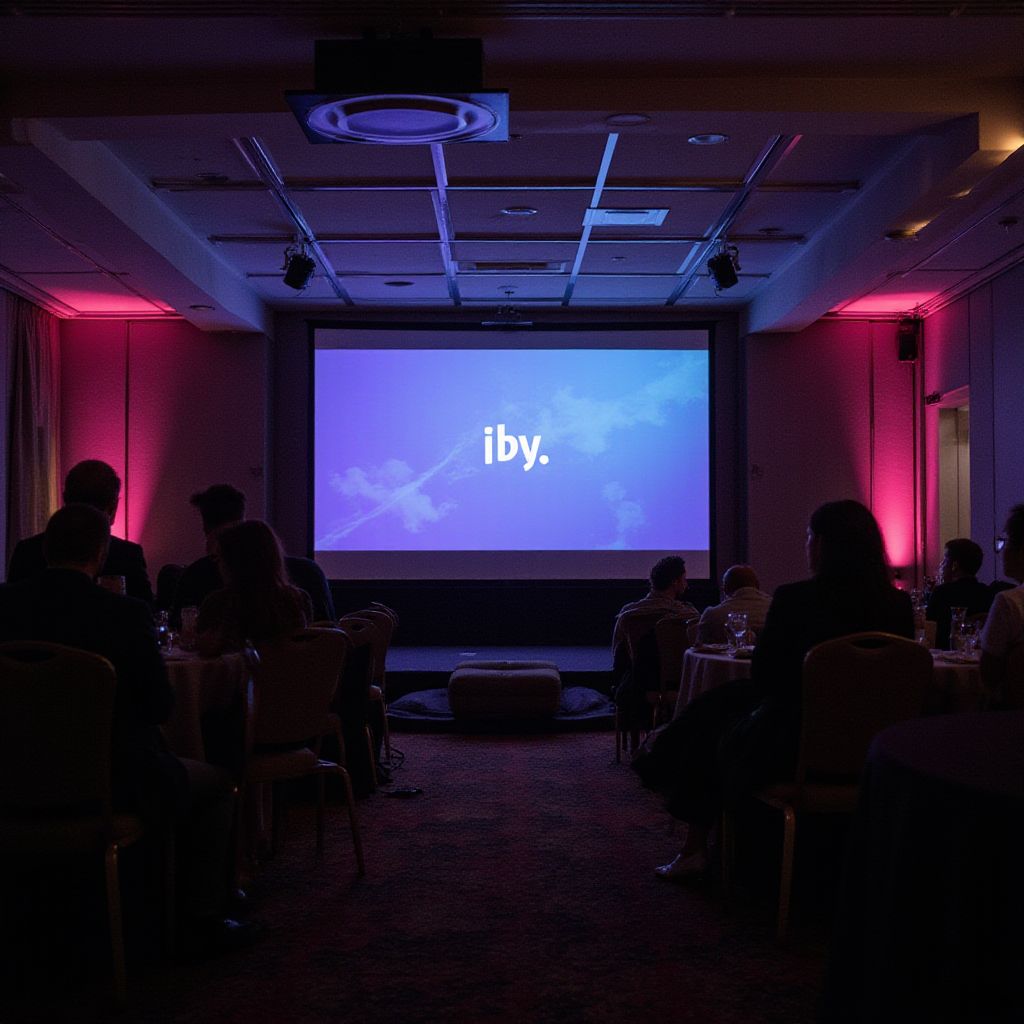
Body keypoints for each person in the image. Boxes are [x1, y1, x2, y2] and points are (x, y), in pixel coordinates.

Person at [0, 505, 249, 954]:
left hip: (10, 779)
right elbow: (159, 706)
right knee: (218, 785)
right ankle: (198, 918)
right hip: (113, 782)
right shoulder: (124, 615)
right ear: (101, 553)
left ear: (44, 550)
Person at [638, 500, 913, 880]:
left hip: (793, 746)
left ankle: (694, 845)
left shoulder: (795, 599)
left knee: (713, 726)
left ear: (821, 544)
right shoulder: (898, 606)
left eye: (808, 537)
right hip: (879, 748)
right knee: (720, 707)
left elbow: (766, 677)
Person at [171, 484, 334, 626]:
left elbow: (183, 633)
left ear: (207, 532)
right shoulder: (305, 582)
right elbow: (327, 633)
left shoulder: (202, 584)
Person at [6, 459, 154, 605]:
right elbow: (148, 617)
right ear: (112, 507)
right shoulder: (127, 556)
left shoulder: (26, 551)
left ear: (65, 500)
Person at [611, 556, 698, 737]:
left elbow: (618, 654)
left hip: (638, 684)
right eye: (684, 579)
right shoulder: (687, 615)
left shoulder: (628, 614)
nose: (686, 584)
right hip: (678, 683)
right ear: (675, 582)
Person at [196, 519, 312, 655]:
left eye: (220, 558)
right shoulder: (298, 600)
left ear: (233, 563)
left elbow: (207, 652)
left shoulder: (218, 603)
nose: (218, 566)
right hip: (289, 676)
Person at [980, 505, 1024, 708]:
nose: (1000, 552)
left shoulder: (1009, 603)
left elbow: (988, 676)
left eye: (1003, 542)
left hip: (1009, 723)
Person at [925, 538, 994, 649]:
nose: (941, 565)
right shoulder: (988, 593)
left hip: (944, 656)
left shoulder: (941, 593)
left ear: (954, 565)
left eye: (945, 560)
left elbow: (930, 634)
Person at [693, 565, 772, 646]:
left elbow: (699, 648)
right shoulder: (778, 609)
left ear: (725, 589)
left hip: (722, 658)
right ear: (757, 585)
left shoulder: (712, 615)